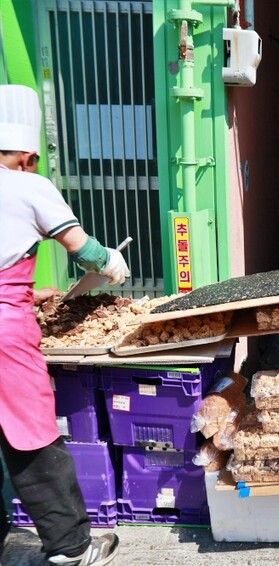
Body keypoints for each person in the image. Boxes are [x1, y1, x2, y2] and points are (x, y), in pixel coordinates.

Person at [0, 84, 128, 565]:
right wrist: (111, 262)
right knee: (32, 436)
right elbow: (84, 249)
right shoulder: (27, 185)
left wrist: (29, 293)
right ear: (28, 155)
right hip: (5, 337)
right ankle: (71, 549)